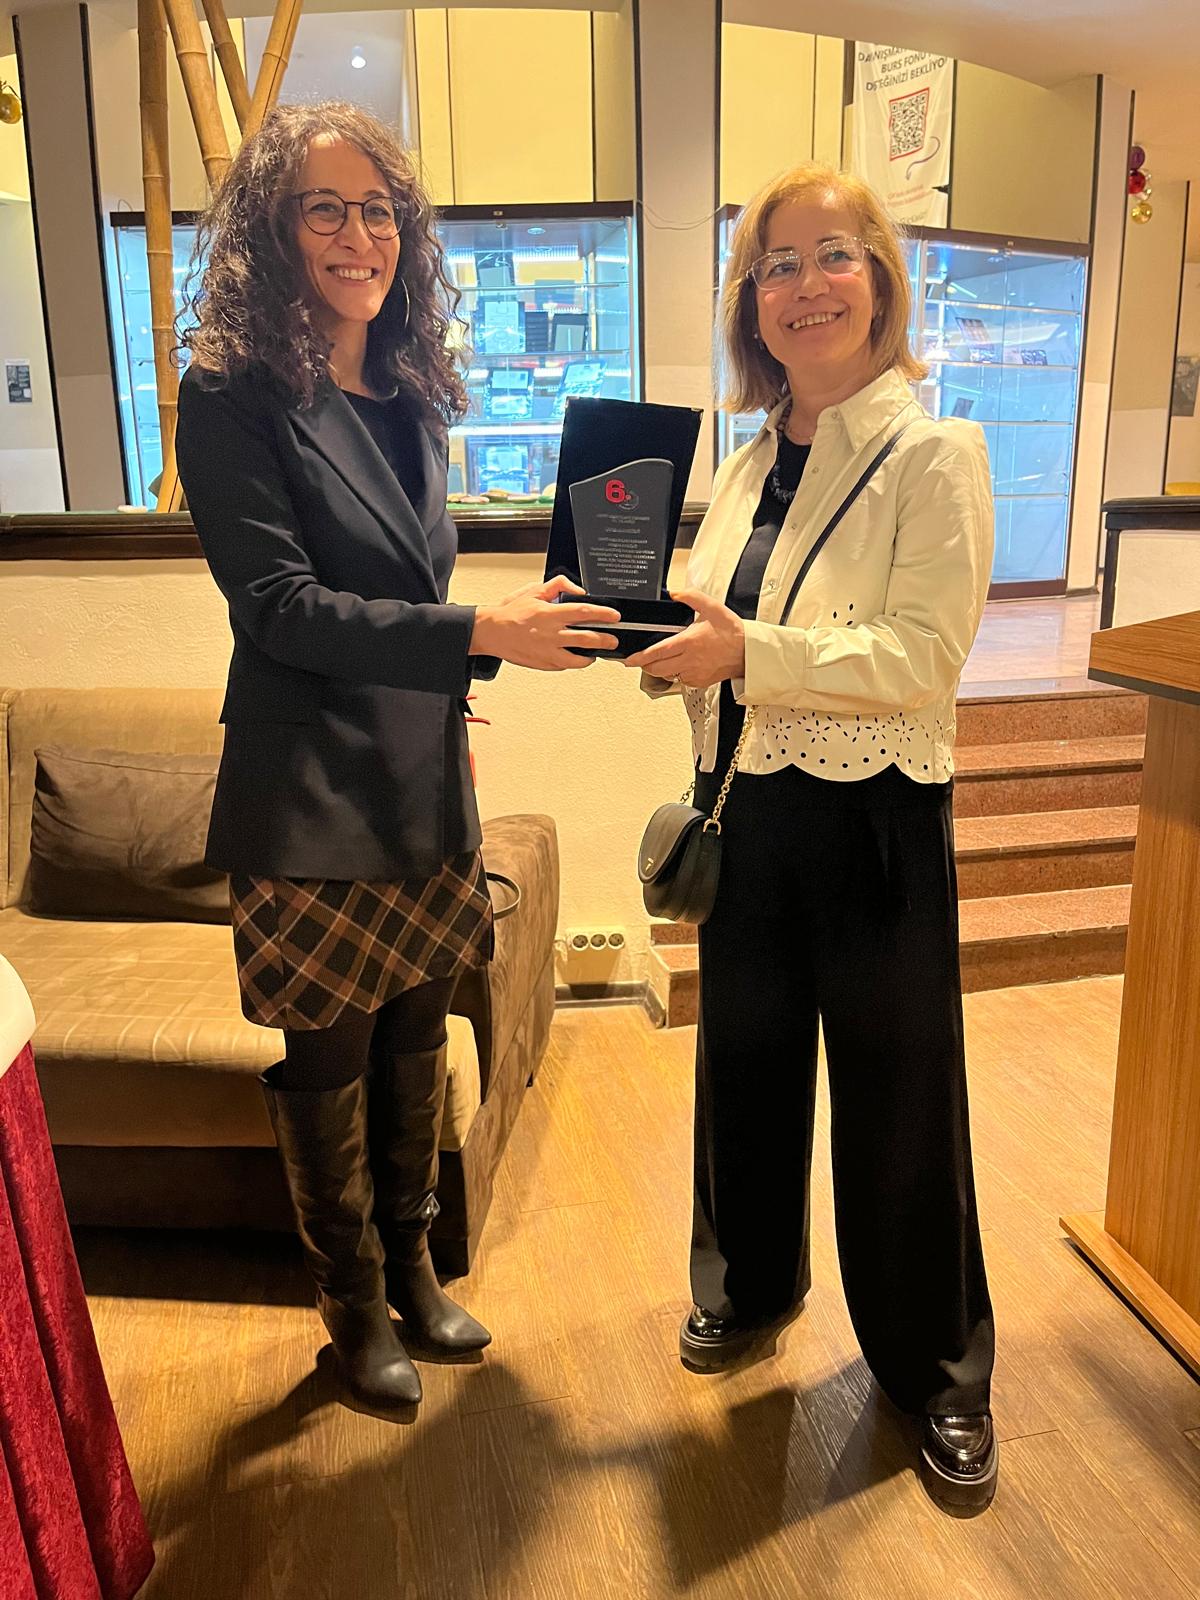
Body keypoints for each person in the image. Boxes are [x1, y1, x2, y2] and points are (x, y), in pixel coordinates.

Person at [175, 102, 618, 1413]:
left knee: (420, 1040)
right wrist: (480, 632)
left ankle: (419, 1275)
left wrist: (466, 676)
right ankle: (354, 1310)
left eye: (379, 210)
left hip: (421, 775)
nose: (358, 234)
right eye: (324, 206)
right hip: (308, 794)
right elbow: (280, 609)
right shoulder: (229, 392)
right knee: (330, 1066)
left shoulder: (411, 395)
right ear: (272, 227)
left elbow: (403, 589)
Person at [627, 163, 998, 1512]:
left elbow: (921, 657)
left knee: (903, 1103)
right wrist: (663, 650)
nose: (804, 286)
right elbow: (725, 632)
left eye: (832, 255)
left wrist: (748, 653)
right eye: (775, 265)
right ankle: (748, 1287)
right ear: (751, 304)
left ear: (881, 279)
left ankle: (937, 1371)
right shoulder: (739, 464)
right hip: (749, 812)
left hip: (876, 816)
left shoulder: (935, 454)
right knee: (746, 1068)